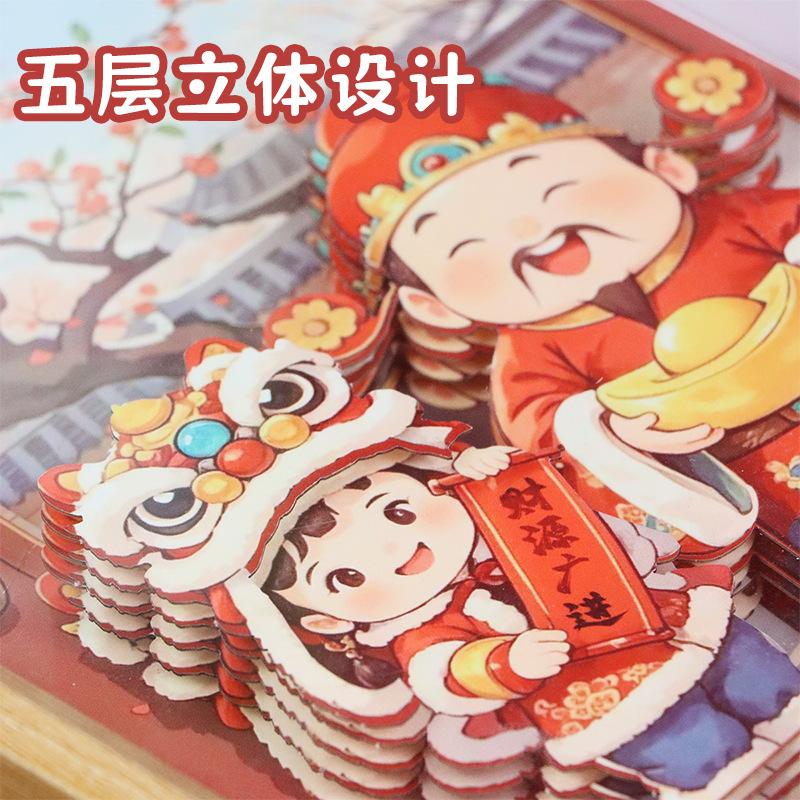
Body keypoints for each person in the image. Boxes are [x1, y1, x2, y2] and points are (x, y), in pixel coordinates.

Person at [321, 83, 800, 542]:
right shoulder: (532, 350)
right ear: (434, 307)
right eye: (465, 242)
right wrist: (608, 431)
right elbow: (540, 424)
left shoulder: (735, 221)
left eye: (553, 188)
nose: (526, 227)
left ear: (666, 169)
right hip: (747, 466)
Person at [263, 460, 800, 797]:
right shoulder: (420, 629)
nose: (394, 548)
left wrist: (496, 475)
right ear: (327, 618)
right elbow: (445, 672)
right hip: (602, 699)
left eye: (399, 513)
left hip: (675, 624)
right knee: (696, 747)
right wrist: (506, 663)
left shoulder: (503, 524)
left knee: (758, 677)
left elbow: (581, 527)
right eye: (347, 575)